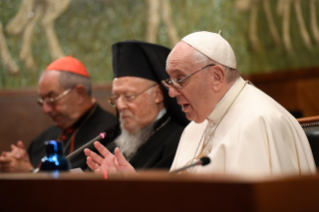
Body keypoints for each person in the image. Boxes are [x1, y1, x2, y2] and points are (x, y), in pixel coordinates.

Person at [85, 32, 316, 176]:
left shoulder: (259, 122)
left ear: (216, 77)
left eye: (180, 78)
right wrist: (134, 185)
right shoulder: (195, 128)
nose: (172, 93)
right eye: (169, 81)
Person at [84, 41, 188, 172]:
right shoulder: (113, 146)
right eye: (116, 98)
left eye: (128, 97)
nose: (120, 106)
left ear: (157, 94)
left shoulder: (179, 142)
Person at [0, 56, 117, 172]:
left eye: (51, 99)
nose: (45, 110)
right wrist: (20, 161)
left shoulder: (110, 133)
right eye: (42, 101)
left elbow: (87, 186)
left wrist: (29, 172)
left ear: (79, 94)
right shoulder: (43, 139)